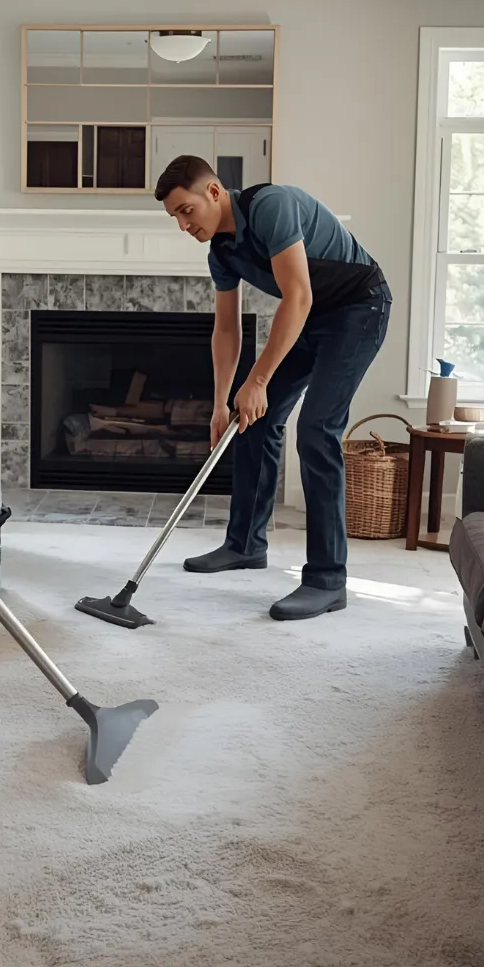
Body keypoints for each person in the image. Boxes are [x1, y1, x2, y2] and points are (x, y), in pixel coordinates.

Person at [156, 156, 391, 622]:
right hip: (310, 317)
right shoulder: (220, 252)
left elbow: (297, 294)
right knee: (252, 421)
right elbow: (226, 330)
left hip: (358, 309)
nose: (183, 224)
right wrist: (223, 401)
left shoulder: (271, 206)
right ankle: (245, 545)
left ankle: (327, 580)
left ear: (215, 192)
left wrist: (258, 379)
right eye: (174, 217)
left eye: (186, 210)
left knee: (317, 429)